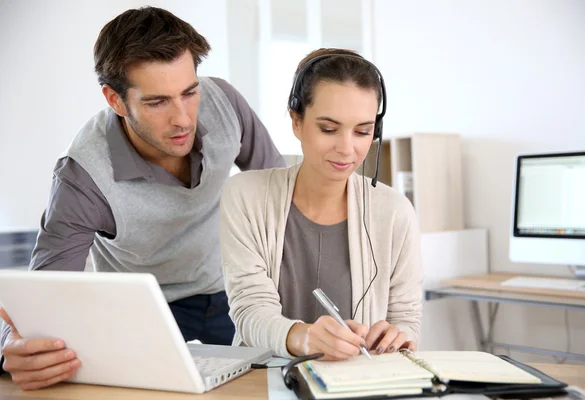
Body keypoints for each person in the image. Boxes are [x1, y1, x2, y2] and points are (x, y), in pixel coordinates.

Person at [0, 6, 284, 390]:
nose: (183, 118)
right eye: (157, 102)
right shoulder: (83, 175)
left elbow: (281, 197)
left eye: (189, 92)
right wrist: (8, 346)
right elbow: (42, 296)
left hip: (232, 292)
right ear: (115, 100)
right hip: (146, 314)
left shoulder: (224, 104)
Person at [220, 48, 423, 361]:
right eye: (328, 129)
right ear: (297, 121)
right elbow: (250, 310)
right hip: (265, 381)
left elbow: (407, 319)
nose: (346, 148)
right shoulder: (245, 196)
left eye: (362, 131)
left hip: (358, 385)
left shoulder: (395, 212)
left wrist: (400, 335)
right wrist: (304, 338)